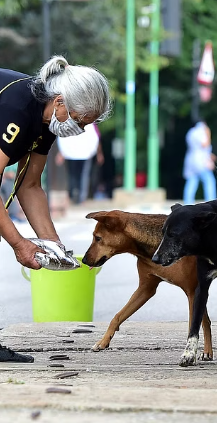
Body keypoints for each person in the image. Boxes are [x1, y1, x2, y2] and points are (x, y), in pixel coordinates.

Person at [0, 56, 111, 362]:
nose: (83, 129)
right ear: (60, 102)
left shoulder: (48, 123)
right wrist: (20, 244)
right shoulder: (18, 110)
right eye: (82, 119)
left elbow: (30, 185)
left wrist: (54, 246)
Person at [56, 123, 104, 205]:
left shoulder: (69, 119)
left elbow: (63, 136)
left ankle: (75, 197)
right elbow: (96, 138)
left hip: (74, 153)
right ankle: (79, 197)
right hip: (81, 153)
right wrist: (99, 153)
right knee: (81, 175)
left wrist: (61, 152)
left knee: (74, 175)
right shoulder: (90, 122)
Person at [183, 121, 217, 204]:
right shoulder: (201, 131)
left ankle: (187, 203)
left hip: (191, 160)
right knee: (209, 180)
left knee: (192, 181)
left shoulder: (190, 132)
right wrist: (208, 133)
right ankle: (211, 202)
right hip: (201, 161)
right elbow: (205, 144)